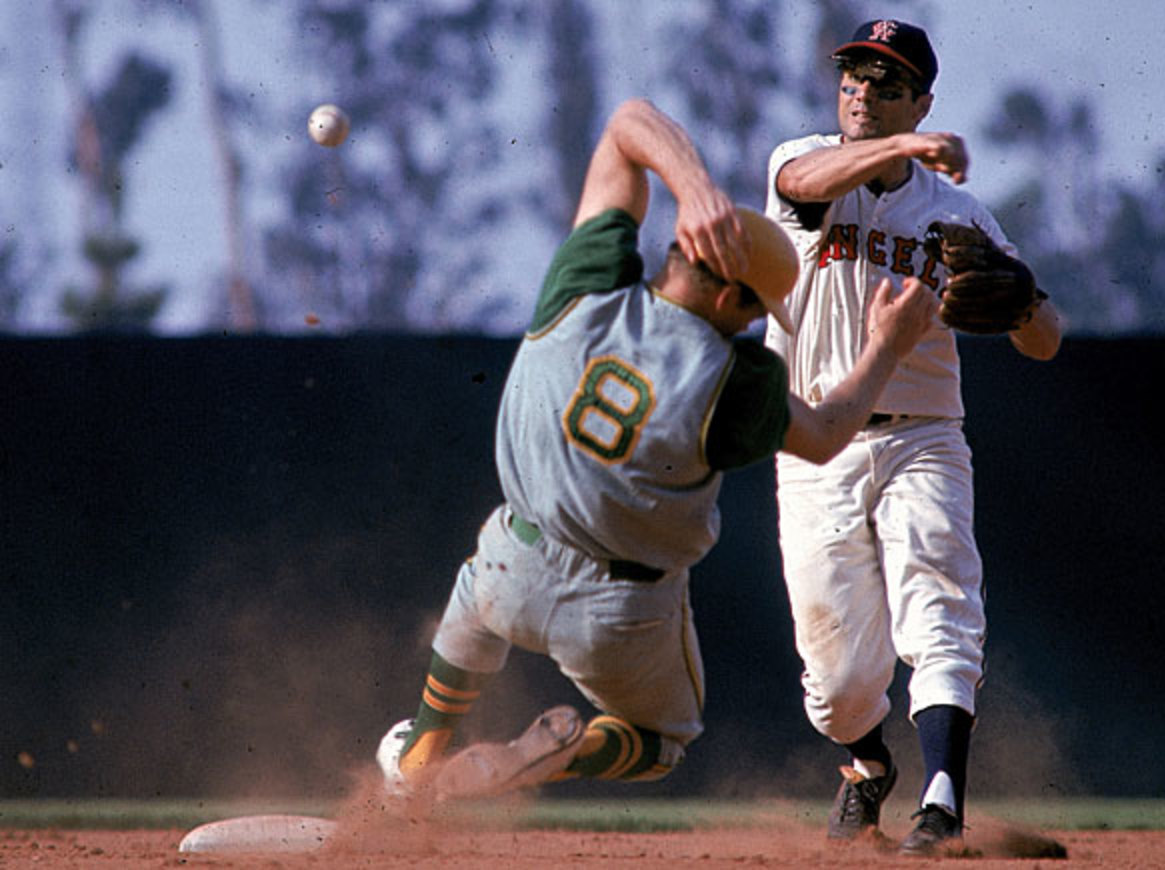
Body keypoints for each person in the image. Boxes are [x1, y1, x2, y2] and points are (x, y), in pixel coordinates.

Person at [373, 97, 936, 804]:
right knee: (661, 741)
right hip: (616, 613)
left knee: (474, 603)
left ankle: (422, 754)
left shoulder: (586, 287)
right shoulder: (733, 379)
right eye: (756, 309)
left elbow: (626, 126)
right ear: (732, 301)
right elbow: (824, 436)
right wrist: (886, 346)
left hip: (513, 559)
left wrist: (694, 191)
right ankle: (540, 760)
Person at [763, 20, 1063, 855]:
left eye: (887, 84)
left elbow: (1047, 341)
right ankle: (867, 764)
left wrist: (1023, 299)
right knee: (837, 685)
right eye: (854, 78)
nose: (863, 93)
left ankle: (942, 803)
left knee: (940, 610)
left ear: (922, 101)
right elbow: (804, 183)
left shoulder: (958, 212)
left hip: (923, 436)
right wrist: (906, 145)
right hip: (814, 442)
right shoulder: (801, 162)